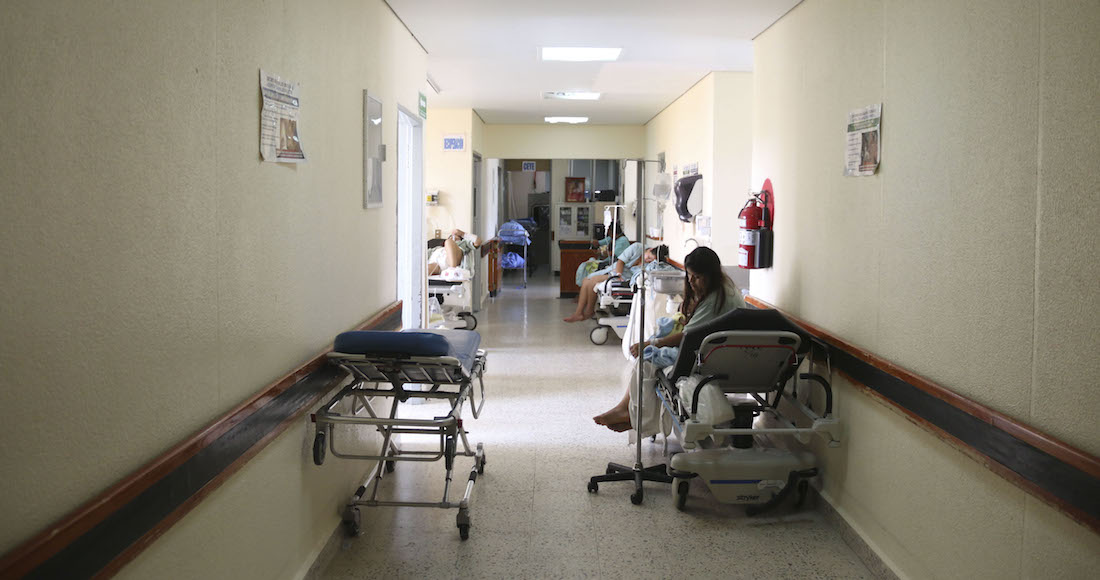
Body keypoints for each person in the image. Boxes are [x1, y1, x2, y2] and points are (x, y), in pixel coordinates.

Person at [592, 246, 745, 432]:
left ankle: (632, 415)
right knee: (649, 355)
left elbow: (688, 336)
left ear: (711, 275)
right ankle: (629, 412)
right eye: (689, 275)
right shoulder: (725, 289)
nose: (691, 281)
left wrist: (652, 343)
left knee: (648, 359)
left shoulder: (716, 299)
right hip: (722, 353)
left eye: (697, 277)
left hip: (712, 359)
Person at [563, 243, 669, 323]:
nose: (648, 260)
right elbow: (620, 261)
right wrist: (618, 274)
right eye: (649, 257)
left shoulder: (651, 265)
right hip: (617, 272)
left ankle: (588, 311)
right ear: (649, 249)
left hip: (625, 279)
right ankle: (579, 313)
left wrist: (619, 276)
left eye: (651, 260)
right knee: (586, 280)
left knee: (591, 282)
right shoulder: (637, 247)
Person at [574, 222, 630, 287]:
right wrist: (595, 242)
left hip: (616, 265)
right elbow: (601, 242)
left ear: (612, 231)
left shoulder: (623, 240)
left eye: (609, 232)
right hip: (611, 263)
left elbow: (613, 254)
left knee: (590, 274)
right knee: (587, 264)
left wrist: (602, 252)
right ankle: (584, 283)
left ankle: (586, 283)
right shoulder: (613, 238)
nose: (608, 234)